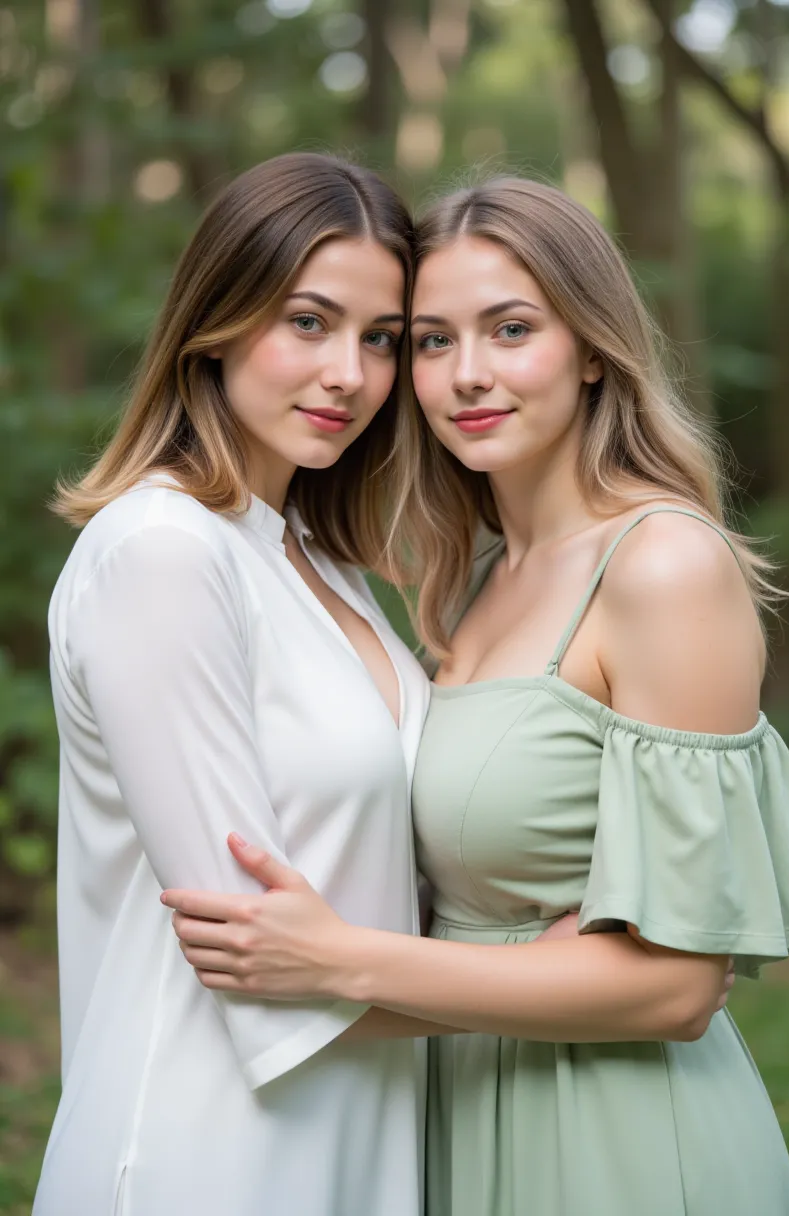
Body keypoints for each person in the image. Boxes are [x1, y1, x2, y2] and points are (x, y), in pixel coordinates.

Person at [166, 177, 789, 1216]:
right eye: (430, 341)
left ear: (594, 347)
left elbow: (676, 987)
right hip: (466, 1109)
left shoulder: (660, 566)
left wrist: (340, 959)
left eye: (510, 329)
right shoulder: (475, 580)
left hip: (621, 1146)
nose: (466, 374)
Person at [37, 152, 436, 1216]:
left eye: (382, 339)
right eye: (307, 321)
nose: (350, 372)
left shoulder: (310, 558)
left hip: (356, 1135)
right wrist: (560, 991)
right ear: (215, 319)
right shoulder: (162, 553)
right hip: (203, 1151)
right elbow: (261, 959)